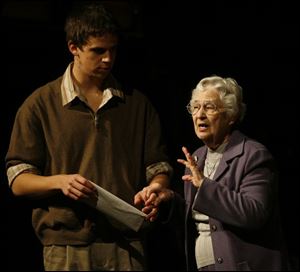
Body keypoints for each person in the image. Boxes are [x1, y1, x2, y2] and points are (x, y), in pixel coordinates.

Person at [5, 2, 173, 271]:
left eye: (113, 50)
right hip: (67, 246)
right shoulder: (40, 104)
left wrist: (156, 188)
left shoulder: (136, 105)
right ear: (74, 48)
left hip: (127, 244)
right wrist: (59, 181)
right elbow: (18, 179)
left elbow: (158, 166)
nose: (108, 59)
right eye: (98, 51)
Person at [143, 75, 288, 271]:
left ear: (230, 115)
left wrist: (204, 185)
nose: (200, 114)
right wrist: (168, 200)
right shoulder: (197, 157)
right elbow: (196, 215)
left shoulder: (253, 155)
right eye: (195, 107)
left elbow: (254, 213)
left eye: (209, 107)